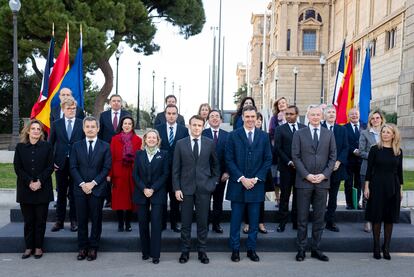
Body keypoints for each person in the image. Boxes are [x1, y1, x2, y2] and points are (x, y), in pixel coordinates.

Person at [226, 105, 272, 263]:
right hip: (238, 185)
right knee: (235, 221)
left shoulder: (264, 136)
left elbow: (267, 159)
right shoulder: (233, 136)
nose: (250, 119)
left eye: (253, 117)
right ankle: (235, 249)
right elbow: (229, 159)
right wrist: (242, 178)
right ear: (242, 118)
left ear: (257, 119)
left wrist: (256, 178)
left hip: (256, 185)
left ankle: (252, 249)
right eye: (247, 117)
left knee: (253, 221)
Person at [173, 115, 220, 264]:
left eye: (199, 125)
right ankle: (185, 251)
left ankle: (202, 251)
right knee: (185, 223)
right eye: (194, 125)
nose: (196, 128)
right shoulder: (180, 144)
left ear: (203, 127)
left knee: (202, 222)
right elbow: (175, 169)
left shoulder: (209, 143)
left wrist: (212, 183)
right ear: (189, 126)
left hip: (204, 189)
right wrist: (177, 188)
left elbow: (215, 166)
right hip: (185, 189)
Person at [292, 104, 336, 262]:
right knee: (302, 218)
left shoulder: (329, 134)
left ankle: (316, 248)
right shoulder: (299, 133)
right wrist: (307, 175)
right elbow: (295, 157)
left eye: (318, 114)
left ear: (322, 116)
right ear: (308, 116)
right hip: (304, 182)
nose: (316, 117)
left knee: (319, 218)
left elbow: (332, 157)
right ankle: (301, 249)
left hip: (322, 183)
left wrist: (324, 175)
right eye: (313, 115)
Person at [70, 116, 112, 261]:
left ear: (98, 129)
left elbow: (106, 168)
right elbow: (73, 167)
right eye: (87, 127)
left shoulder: (105, 146)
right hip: (79, 189)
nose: (90, 129)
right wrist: (83, 184)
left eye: (93, 127)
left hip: (97, 189)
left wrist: (93, 183)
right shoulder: (76, 146)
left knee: (96, 220)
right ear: (83, 129)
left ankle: (93, 248)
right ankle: (82, 248)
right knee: (81, 220)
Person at [14, 120, 54, 259]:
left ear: (41, 132)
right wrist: (30, 181)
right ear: (28, 131)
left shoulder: (47, 147)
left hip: (43, 189)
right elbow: (17, 168)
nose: (36, 131)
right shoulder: (20, 147)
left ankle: (38, 247)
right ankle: (28, 247)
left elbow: (50, 167)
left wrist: (39, 181)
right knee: (28, 221)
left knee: (40, 221)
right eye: (33, 128)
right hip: (25, 189)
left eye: (39, 129)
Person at [364, 124, 403, 260]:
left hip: (393, 186)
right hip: (377, 186)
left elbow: (400, 172)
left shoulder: (398, 151)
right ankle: (376, 246)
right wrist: (367, 187)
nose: (385, 134)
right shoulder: (375, 149)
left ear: (393, 135)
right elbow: (369, 170)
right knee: (377, 217)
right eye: (383, 132)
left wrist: (401, 189)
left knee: (389, 218)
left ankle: (386, 247)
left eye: (388, 132)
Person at [133, 129, 169, 264]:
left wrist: (153, 188)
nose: (152, 140)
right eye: (149, 137)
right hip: (141, 193)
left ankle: (155, 254)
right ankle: (145, 252)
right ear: (145, 139)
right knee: (142, 224)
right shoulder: (139, 154)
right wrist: (144, 188)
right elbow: (135, 175)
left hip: (157, 193)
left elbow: (165, 174)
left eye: (154, 137)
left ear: (158, 140)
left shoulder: (164, 154)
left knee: (156, 224)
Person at [49, 97, 85, 232]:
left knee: (75, 193)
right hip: (60, 164)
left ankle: (74, 221)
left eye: (73, 108)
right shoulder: (56, 124)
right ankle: (59, 221)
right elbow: (50, 144)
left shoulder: (81, 124)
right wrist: (52, 162)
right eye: (69, 108)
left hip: (77, 165)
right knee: (62, 192)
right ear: (63, 110)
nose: (71, 110)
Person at [155, 104, 189, 232]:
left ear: (177, 115)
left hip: (177, 171)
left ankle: (175, 223)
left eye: (173, 113)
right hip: (161, 170)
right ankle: (162, 223)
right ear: (165, 115)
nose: (171, 116)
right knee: (161, 198)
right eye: (168, 113)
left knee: (176, 199)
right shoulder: (158, 129)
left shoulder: (183, 130)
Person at [275, 105, 306, 232]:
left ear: (297, 115)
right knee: (285, 196)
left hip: (301, 169)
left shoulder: (304, 129)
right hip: (286, 168)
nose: (288, 116)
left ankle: (295, 222)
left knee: (298, 196)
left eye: (291, 114)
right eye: (286, 114)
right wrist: (289, 162)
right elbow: (278, 148)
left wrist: (299, 163)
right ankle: (282, 222)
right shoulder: (280, 129)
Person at [108, 116, 142, 232]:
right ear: (121, 125)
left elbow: (139, 158)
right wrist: (110, 174)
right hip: (118, 172)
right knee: (119, 199)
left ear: (132, 126)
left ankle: (128, 223)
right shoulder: (115, 139)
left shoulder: (138, 140)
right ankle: (120, 223)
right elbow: (111, 157)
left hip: (132, 172)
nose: (127, 125)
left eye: (129, 124)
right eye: (125, 123)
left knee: (130, 200)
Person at [98, 94, 130, 207]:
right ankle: (108, 198)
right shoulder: (103, 115)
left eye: (118, 101)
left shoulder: (127, 115)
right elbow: (100, 133)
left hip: (122, 149)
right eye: (113, 101)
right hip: (106, 149)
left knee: (118, 174)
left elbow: (129, 131)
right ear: (110, 103)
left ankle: (120, 196)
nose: (116, 103)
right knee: (107, 173)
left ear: (121, 103)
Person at [322, 105, 349, 232]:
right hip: (321, 169)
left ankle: (330, 221)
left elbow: (345, 147)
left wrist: (338, 162)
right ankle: (319, 221)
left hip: (336, 169)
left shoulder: (342, 130)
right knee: (320, 197)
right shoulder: (319, 128)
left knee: (333, 197)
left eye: (333, 112)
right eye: (329, 112)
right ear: (324, 115)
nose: (332, 114)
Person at [202, 110, 229, 233]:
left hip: (221, 175)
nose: (214, 118)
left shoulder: (227, 135)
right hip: (205, 175)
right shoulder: (203, 133)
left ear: (221, 120)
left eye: (217, 116)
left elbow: (230, 155)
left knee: (218, 201)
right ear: (208, 120)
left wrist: (227, 172)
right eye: (211, 116)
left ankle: (216, 224)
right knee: (205, 201)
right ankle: (205, 224)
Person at [359, 110, 386, 232]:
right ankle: (368, 221)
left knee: (379, 197)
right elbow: (361, 151)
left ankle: (377, 221)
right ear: (370, 120)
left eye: (377, 118)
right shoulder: (365, 133)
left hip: (383, 171)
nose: (375, 120)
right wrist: (375, 156)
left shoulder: (386, 132)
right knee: (367, 196)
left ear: (381, 119)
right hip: (367, 169)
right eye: (373, 118)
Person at [243, 112, 269, 234]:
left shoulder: (264, 136)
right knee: (246, 200)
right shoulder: (240, 134)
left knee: (260, 199)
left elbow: (268, 156)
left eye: (258, 119)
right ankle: (247, 223)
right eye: (250, 117)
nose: (255, 120)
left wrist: (257, 177)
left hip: (261, 174)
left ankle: (260, 222)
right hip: (244, 176)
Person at [269, 97, 288, 208]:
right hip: (276, 151)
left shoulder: (291, 116)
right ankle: (277, 198)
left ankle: (285, 198)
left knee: (286, 178)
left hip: (289, 151)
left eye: (283, 103)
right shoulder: (274, 118)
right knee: (276, 177)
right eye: (279, 103)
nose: (281, 104)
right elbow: (271, 132)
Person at [344, 108, 363, 209]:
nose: (354, 116)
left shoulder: (365, 127)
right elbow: (345, 143)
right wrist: (353, 150)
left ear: (359, 115)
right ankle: (349, 203)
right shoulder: (344, 128)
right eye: (352, 114)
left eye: (356, 114)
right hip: (349, 160)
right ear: (348, 116)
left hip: (361, 160)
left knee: (359, 182)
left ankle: (356, 202)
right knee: (349, 183)